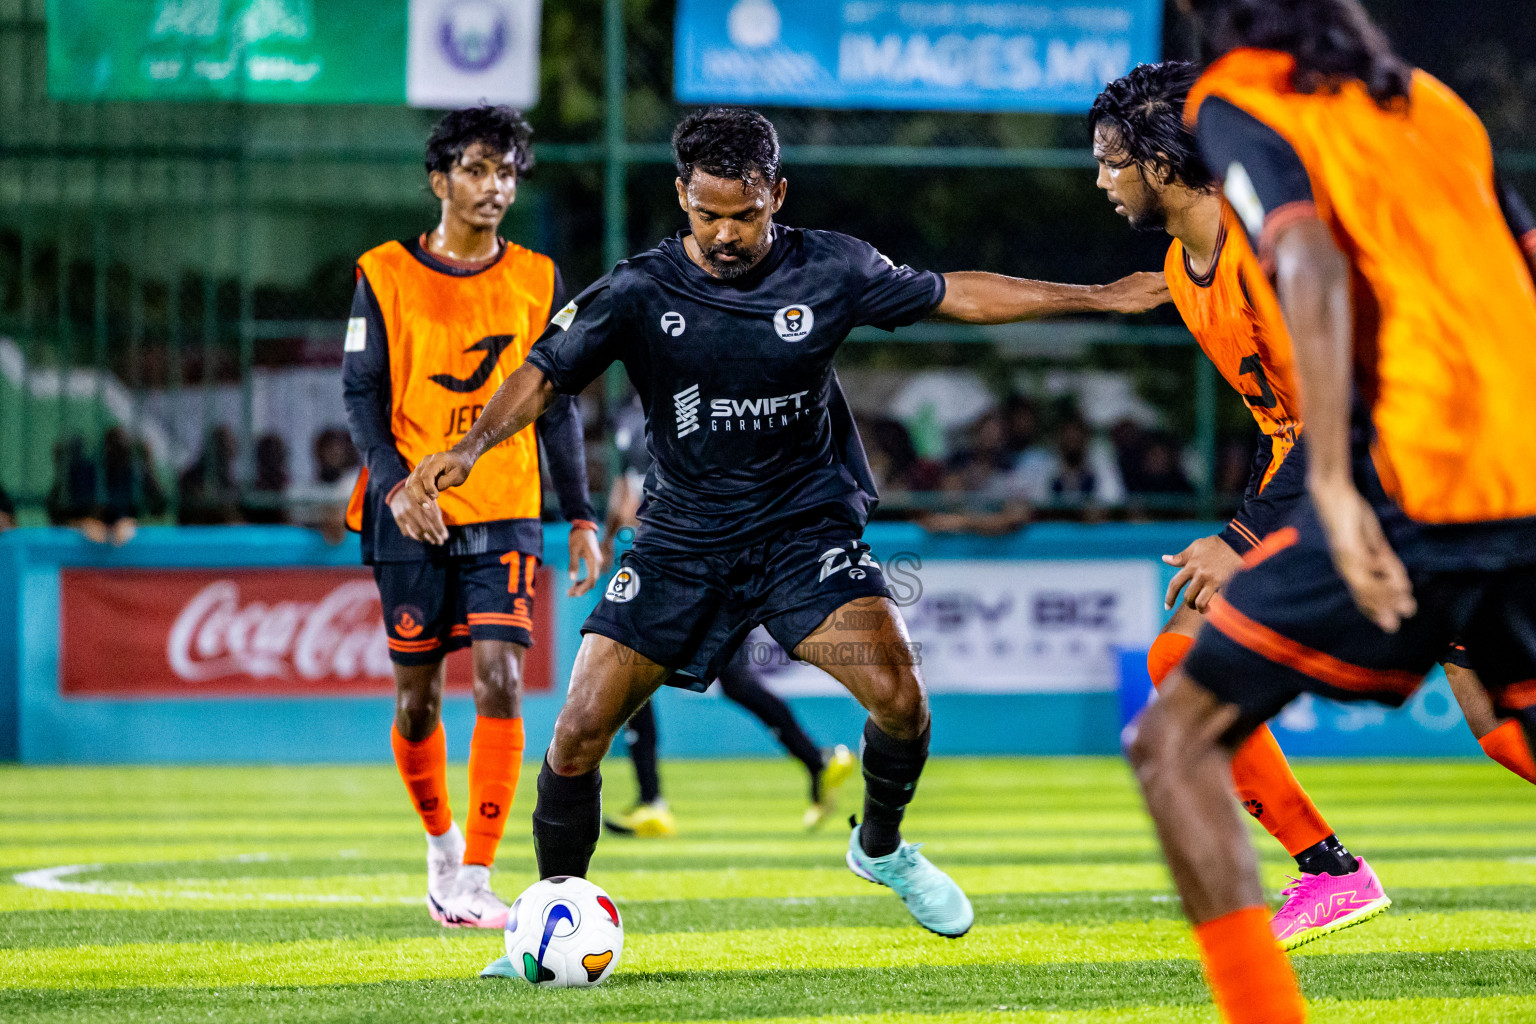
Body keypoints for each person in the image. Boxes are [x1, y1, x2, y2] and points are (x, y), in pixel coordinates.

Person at [402, 106, 1168, 942]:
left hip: (804, 535)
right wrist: (471, 448)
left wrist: (1098, 295)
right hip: (681, 542)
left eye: (745, 213)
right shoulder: (638, 288)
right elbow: (545, 375)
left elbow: (959, 297)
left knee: (902, 700)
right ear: (682, 198)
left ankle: (880, 847)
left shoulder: (832, 269)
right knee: (579, 731)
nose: (726, 234)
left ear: (778, 195)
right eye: (707, 214)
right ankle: (548, 923)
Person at [1125, 3, 1536, 1022]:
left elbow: (1304, 261)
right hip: (1515, 460)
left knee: (1173, 740)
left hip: (1418, 470)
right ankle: (1327, 866)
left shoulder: (1237, 99)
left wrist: (1335, 494)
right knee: (1501, 711)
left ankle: (1311, 906)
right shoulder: (1426, 101)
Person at [1094, 59, 1391, 951]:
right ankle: (1331, 870)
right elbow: (1290, 420)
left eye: (1110, 160)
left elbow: (1352, 409)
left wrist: (1246, 531)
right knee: (1180, 659)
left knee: (1504, 722)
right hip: (1334, 489)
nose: (1099, 179)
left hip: (1399, 480)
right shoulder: (1189, 269)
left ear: (1156, 160)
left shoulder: (1270, 252)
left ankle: (1330, 872)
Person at [342, 105, 602, 931]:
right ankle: (441, 846)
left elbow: (556, 406)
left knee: (499, 680)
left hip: (506, 508)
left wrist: (581, 516)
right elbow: (362, 397)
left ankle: (478, 878)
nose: (495, 187)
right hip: (408, 513)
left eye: (507, 172)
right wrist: (396, 488)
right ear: (440, 178)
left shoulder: (538, 277)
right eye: (478, 170)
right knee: (418, 702)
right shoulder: (382, 272)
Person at [600, 397, 857, 836]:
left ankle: (652, 801)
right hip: (696, 562)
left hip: (692, 564)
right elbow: (629, 492)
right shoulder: (654, 406)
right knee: (728, 681)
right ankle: (815, 761)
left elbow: (636, 500)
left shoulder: (671, 403)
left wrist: (622, 532)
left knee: (628, 673)